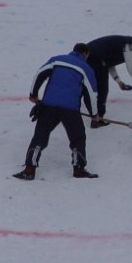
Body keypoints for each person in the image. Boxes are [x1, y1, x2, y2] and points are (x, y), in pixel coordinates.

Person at [13, 43, 103, 181]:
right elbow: (91, 94)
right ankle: (78, 169)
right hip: (70, 109)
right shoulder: (86, 68)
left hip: (49, 105)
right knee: (78, 138)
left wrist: (33, 94)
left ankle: (29, 169)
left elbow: (39, 74)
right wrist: (94, 114)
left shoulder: (57, 59)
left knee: (39, 137)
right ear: (85, 54)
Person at [86, 29, 132, 128]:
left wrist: (119, 82)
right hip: (95, 57)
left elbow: (108, 63)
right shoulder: (130, 46)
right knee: (103, 89)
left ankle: (76, 108)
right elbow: (131, 69)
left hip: (89, 55)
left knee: (89, 85)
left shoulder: (123, 43)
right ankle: (97, 118)